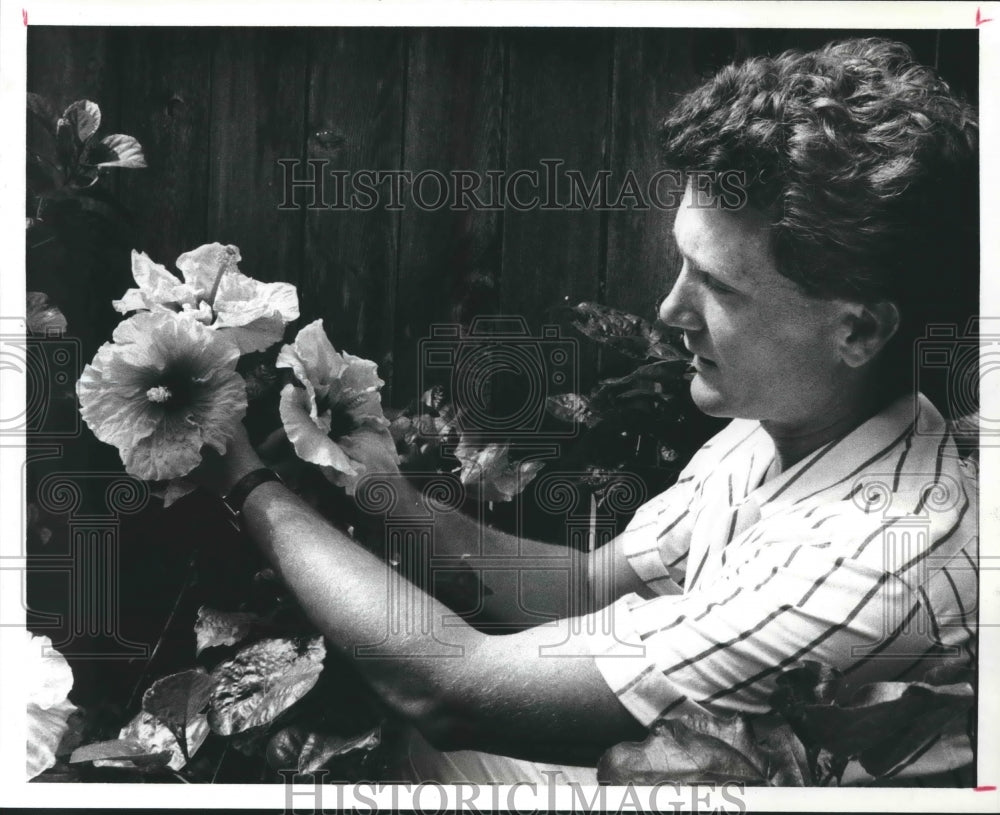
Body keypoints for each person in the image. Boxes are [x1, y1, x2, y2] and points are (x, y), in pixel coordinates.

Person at [195, 38, 979, 785]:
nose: (671, 306)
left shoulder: (868, 561)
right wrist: (382, 492)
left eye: (722, 287)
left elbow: (450, 689)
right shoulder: (791, 424)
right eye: (683, 262)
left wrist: (244, 482)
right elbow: (586, 585)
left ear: (860, 329)